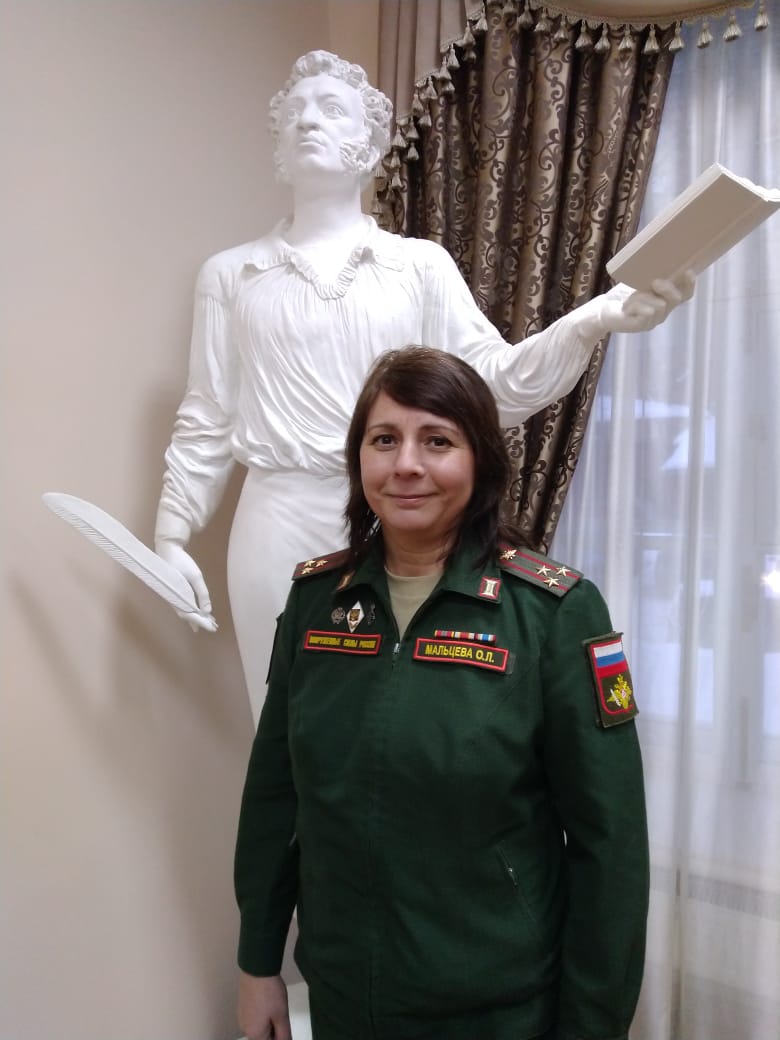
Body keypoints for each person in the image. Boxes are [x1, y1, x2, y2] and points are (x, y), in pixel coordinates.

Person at [154, 48, 694, 723]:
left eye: (331, 109)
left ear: (369, 142)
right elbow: (208, 413)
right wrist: (171, 533)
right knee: (283, 714)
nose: (307, 121)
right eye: (294, 111)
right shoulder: (232, 274)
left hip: (399, 510)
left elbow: (493, 386)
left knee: (401, 710)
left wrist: (593, 320)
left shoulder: (417, 267)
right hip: (276, 516)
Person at [234, 346, 650, 1040]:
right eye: (384, 439)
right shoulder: (316, 601)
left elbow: (611, 846)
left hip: (496, 1011)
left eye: (437, 441)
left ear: (480, 459)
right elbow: (275, 795)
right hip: (342, 997)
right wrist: (257, 963)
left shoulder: (553, 612)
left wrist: (592, 1026)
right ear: (358, 459)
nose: (406, 464)